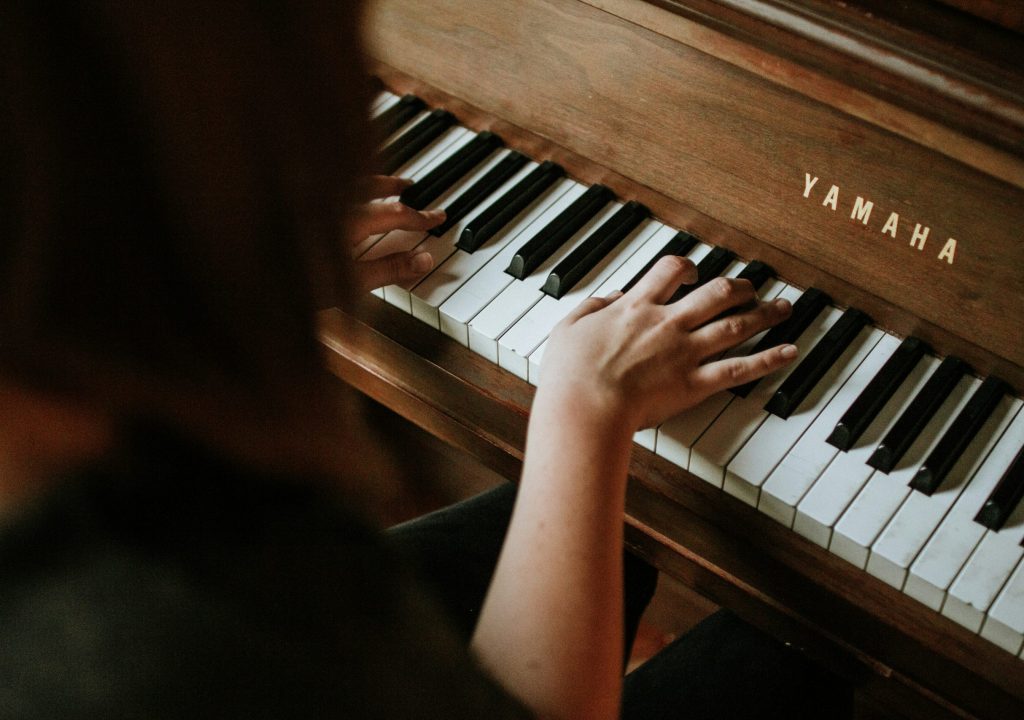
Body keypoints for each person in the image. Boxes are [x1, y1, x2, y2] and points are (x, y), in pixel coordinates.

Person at [0, 2, 851, 718]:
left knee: (635, 536)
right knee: (807, 646)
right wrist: (584, 412)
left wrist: (218, 292)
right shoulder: (132, 646)